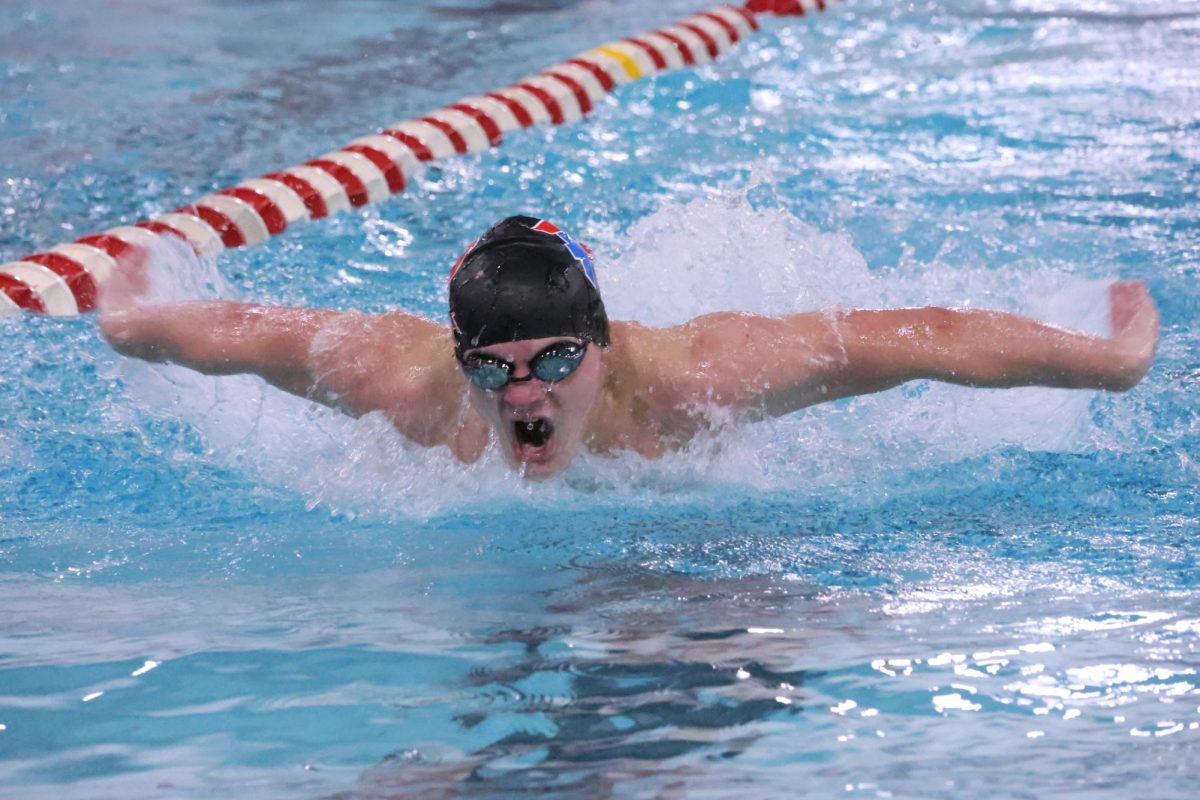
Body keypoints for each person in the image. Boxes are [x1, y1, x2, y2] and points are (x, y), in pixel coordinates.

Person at [99, 215, 1160, 479]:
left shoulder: (697, 379)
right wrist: (129, 303)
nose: (525, 392)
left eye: (557, 359)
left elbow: (926, 337)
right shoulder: (403, 381)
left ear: (605, 347)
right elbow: (229, 332)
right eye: (495, 365)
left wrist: (1112, 358)